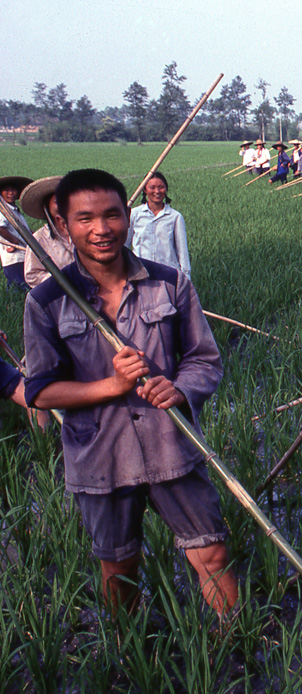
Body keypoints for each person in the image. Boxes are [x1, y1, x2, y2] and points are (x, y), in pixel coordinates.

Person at [22, 168, 238, 617]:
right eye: (84, 219)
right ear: (63, 225)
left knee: (212, 554)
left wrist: (178, 390)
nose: (101, 229)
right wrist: (112, 385)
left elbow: (205, 360)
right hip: (102, 457)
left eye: (111, 215)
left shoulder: (170, 283)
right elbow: (40, 390)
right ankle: (131, 656)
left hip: (171, 446)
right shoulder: (46, 301)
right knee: (119, 569)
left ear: (128, 217)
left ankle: (233, 644)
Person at [126, 172, 191, 279]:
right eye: (152, 187)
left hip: (167, 273)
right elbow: (124, 245)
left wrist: (186, 276)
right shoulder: (134, 214)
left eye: (161, 187)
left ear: (166, 190)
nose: (157, 191)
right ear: (145, 190)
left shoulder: (175, 217)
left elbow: (182, 251)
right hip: (141, 274)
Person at [21, 176, 75, 289]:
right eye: (57, 202)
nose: (62, 205)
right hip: (62, 298)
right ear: (47, 207)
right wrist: (61, 280)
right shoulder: (39, 238)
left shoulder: (83, 230)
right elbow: (32, 275)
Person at [0, 176, 33, 291]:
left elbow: (23, 230)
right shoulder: (2, 210)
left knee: (17, 289)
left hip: (22, 255)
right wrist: (13, 241)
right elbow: (0, 228)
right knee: (22, 288)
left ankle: (12, 307)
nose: (11, 193)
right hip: (15, 257)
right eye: (6, 190)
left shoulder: (13, 210)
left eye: (13, 190)